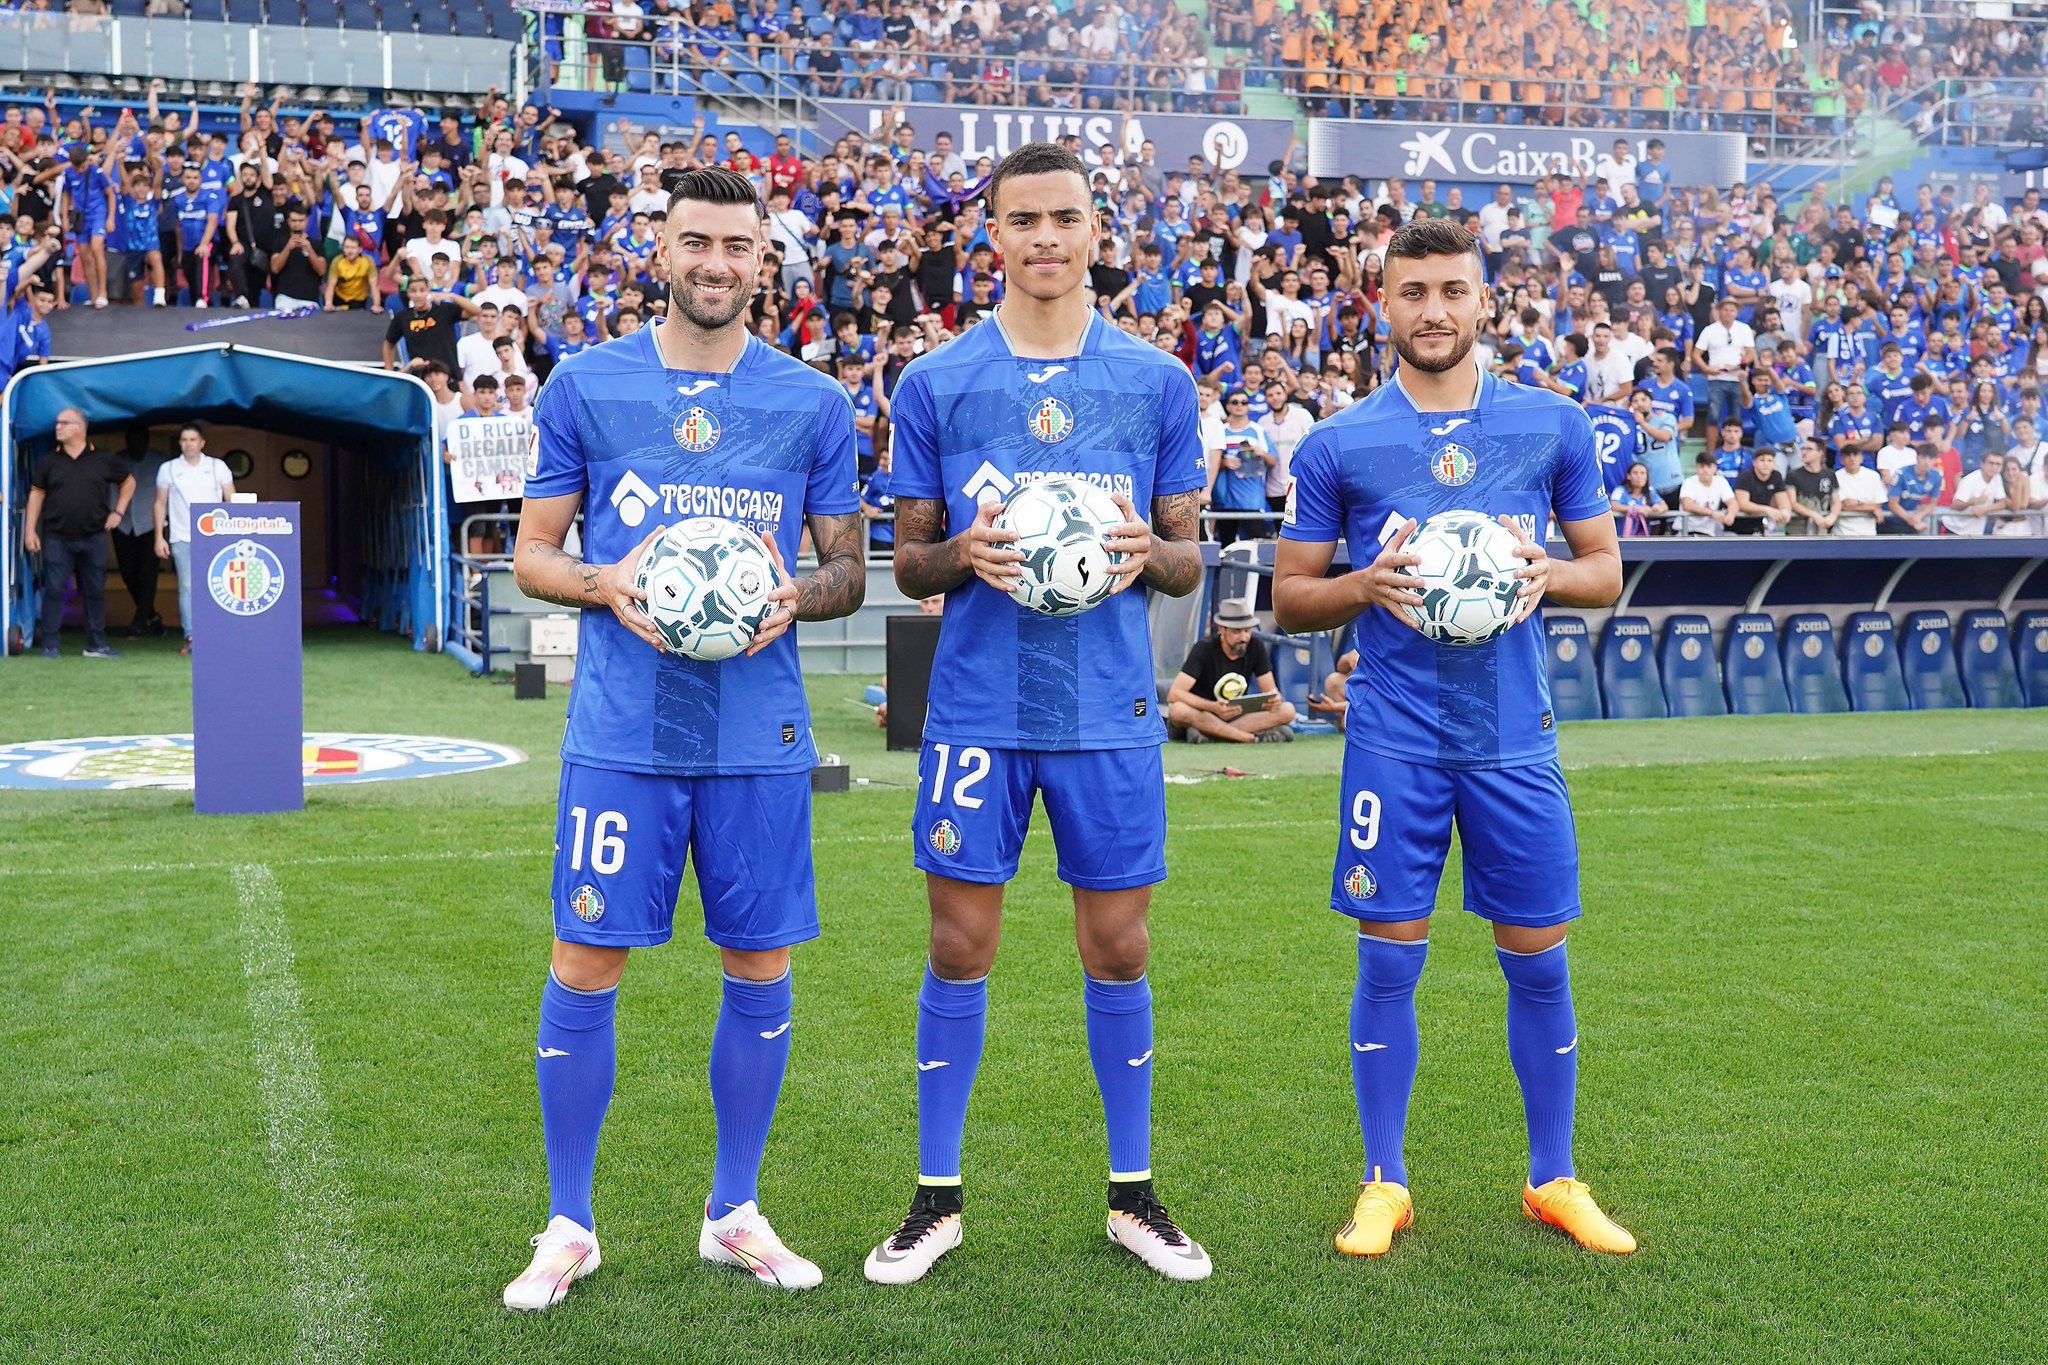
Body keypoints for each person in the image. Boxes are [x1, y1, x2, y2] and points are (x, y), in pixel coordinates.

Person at [502, 166, 867, 1310]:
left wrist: (793, 597)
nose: (716, 263)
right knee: (586, 959)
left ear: (766, 263)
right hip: (620, 733)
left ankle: (734, 1211)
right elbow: (531, 555)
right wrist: (603, 581)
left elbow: (848, 570)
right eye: (695, 242)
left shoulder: (812, 402)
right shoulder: (586, 384)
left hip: (759, 733)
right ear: (659, 250)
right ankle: (569, 1221)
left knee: (758, 964)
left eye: (738, 247)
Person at [869, 142, 1211, 1286]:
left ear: (1095, 232)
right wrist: (962, 551)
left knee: (1117, 945)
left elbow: (1186, 560)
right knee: (958, 945)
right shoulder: (936, 382)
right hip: (976, 709)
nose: (1046, 239)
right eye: (1023, 221)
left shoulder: (1157, 382)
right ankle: (934, 1199)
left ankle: (1132, 1195)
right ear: (994, 238)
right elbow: (910, 563)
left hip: (1107, 710)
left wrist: (1144, 552)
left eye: (1064, 218)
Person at [1272, 218, 1633, 1262]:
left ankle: (1552, 1177)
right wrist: (1358, 585)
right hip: (1393, 739)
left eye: (1450, 292)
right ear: (1380, 305)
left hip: (1512, 738)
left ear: (1484, 304)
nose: (1432, 310)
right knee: (1387, 959)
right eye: (1411, 292)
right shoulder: (1340, 443)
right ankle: (1384, 1182)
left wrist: (1538, 574)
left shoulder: (1551, 426)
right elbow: (1293, 598)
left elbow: (1603, 572)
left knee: (1536, 958)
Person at [25, 408, 134, 659]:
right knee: (54, 589)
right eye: (57, 423)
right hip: (57, 537)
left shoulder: (104, 459)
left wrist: (118, 513)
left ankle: (96, 644)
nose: (58, 427)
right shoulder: (49, 461)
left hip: (94, 535)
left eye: (64, 423)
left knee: (95, 590)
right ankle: (50, 645)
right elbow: (37, 494)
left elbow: (129, 482)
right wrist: (30, 530)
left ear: (80, 428)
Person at [151, 422, 235, 654]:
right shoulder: (168, 469)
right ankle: (191, 635)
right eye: (184, 440)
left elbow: (232, 499)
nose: (188, 444)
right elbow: (160, 503)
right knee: (187, 587)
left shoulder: (217, 467)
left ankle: (219, 634)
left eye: (192, 439)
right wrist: (160, 536)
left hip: (215, 536)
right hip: (181, 535)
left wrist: (232, 531)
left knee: (218, 585)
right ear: (180, 443)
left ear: (202, 443)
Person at [1164, 600, 1298, 743]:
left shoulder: (1255, 646)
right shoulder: (1203, 649)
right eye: (1236, 631)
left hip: (1237, 713)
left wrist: (1273, 700)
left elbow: (1270, 691)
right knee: (1178, 710)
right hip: (1205, 713)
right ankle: (1248, 737)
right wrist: (1213, 707)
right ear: (1222, 629)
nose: (1244, 637)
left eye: (1247, 630)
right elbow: (1175, 694)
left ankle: (1211, 734)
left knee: (1287, 710)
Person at [110, 427, 169, 635]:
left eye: (139, 441)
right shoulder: (117, 460)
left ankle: (138, 622)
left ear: (146, 441)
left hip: (151, 524)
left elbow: (168, 492)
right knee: (128, 573)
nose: (135, 445)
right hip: (123, 524)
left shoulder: (161, 462)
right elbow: (109, 489)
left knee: (148, 573)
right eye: (131, 440)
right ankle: (151, 615)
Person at [1881, 445, 1944, 534]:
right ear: (1917, 457)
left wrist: (1919, 516)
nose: (1927, 462)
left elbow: (1933, 503)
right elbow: (1893, 504)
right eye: (1923, 457)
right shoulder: (1901, 474)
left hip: (1913, 518)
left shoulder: (1937, 475)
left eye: (1931, 458)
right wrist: (1912, 520)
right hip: (1891, 519)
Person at [1731, 447, 1792, 535]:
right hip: (1740, 524)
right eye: (1762, 460)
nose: (1766, 464)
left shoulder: (1776, 476)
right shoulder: (1745, 476)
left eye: (1769, 461)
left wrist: (1785, 511)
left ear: (1774, 463)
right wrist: (1767, 510)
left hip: (1763, 524)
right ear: (1754, 463)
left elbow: (1783, 500)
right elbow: (1743, 504)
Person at [1784, 437, 1837, 536]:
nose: (1804, 452)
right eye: (1803, 449)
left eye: (1809, 449)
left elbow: (1836, 501)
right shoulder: (1793, 475)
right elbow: (1792, 503)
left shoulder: (1830, 475)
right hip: (1797, 530)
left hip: (1822, 529)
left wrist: (1832, 516)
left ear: (1820, 453)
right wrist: (1813, 515)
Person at [1831, 445, 1885, 537]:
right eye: (1848, 456)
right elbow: (1842, 506)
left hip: (1869, 533)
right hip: (1841, 533)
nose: (1852, 459)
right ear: (1842, 460)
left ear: (1861, 458)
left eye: (1855, 455)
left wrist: (1857, 504)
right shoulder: (1835, 477)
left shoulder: (1873, 476)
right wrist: (1870, 507)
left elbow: (1878, 504)